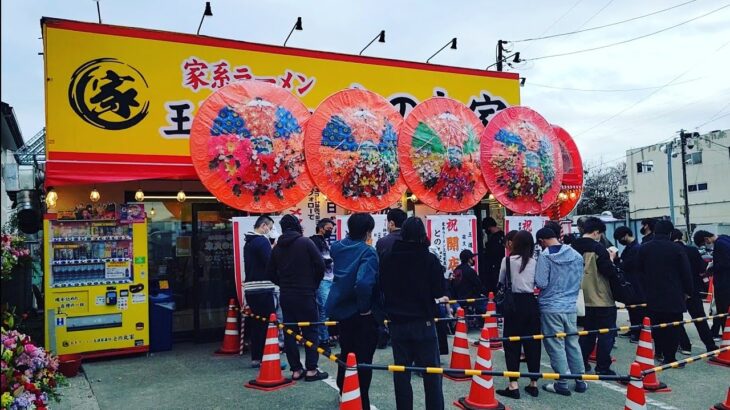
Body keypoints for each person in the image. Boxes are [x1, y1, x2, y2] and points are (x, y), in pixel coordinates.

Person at [380, 217, 447, 410]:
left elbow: (381, 286)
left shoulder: (387, 257)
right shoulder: (429, 258)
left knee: (402, 373)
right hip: (423, 322)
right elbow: (438, 291)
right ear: (422, 234)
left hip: (396, 322)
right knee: (432, 373)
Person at [326, 213, 380, 409]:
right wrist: (365, 308)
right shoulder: (368, 252)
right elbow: (364, 284)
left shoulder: (337, 247)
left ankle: (344, 392)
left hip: (340, 309)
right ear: (368, 231)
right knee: (364, 359)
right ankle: (361, 401)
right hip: (360, 313)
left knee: (346, 351)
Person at [266, 215, 328, 381]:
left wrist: (282, 283)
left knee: (289, 333)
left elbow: (270, 272)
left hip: (286, 295)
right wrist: (313, 283)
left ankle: (296, 370)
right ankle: (311, 370)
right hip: (306, 294)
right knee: (311, 331)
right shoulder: (306, 242)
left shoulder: (277, 248)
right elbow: (321, 265)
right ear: (297, 226)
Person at [534, 228, 587, 396]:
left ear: (542, 241)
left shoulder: (545, 256)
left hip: (550, 307)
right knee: (572, 342)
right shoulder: (576, 255)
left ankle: (561, 382)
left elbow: (541, 282)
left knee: (556, 345)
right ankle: (581, 381)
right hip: (570, 306)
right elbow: (580, 281)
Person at [637, 220, 692, 365]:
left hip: (652, 293)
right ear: (670, 233)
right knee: (673, 327)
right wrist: (688, 291)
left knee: (656, 326)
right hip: (674, 294)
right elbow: (686, 272)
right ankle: (670, 357)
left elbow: (639, 270)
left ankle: (659, 351)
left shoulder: (644, 248)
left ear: (655, 231)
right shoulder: (677, 249)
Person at [496, 231, 541, 399]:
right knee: (533, 343)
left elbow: (501, 281)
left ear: (514, 244)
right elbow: (539, 282)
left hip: (513, 305)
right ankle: (533, 384)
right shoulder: (534, 261)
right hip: (531, 303)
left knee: (512, 345)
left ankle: (513, 385)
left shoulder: (507, 261)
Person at [571, 216, 619, 375]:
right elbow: (608, 271)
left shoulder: (572, 247)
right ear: (597, 232)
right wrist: (611, 259)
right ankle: (603, 367)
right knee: (606, 333)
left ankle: (582, 363)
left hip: (581, 298)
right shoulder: (598, 249)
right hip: (601, 297)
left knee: (587, 333)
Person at [243, 215, 284, 368]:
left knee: (257, 324)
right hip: (263, 288)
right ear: (264, 226)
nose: (271, 231)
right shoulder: (261, 241)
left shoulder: (249, 242)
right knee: (269, 324)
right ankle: (268, 359)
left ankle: (257, 357)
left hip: (252, 289)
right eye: (271, 227)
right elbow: (270, 263)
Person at [671, 229, 718, 353]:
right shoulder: (692, 250)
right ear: (682, 237)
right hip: (693, 289)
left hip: (677, 290)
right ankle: (710, 345)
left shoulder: (670, 251)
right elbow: (702, 269)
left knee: (677, 319)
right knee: (699, 318)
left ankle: (685, 345)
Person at [375, 208, 408, 349]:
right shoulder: (413, 239)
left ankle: (384, 338)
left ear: (391, 223)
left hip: (388, 287)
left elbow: (378, 266)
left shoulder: (383, 242)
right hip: (410, 286)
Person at [694, 229, 730, 338]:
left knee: (723, 312)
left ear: (706, 239)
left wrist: (711, 269)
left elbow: (725, 263)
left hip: (724, 285)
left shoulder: (720, 244)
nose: (706, 245)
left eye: (704, 243)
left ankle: (727, 339)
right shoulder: (725, 238)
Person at [613, 226, 645, 343]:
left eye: (620, 238)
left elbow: (628, 264)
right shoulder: (630, 248)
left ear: (626, 235)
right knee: (631, 308)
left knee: (637, 309)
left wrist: (616, 262)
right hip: (630, 282)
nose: (620, 241)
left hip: (636, 283)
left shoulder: (636, 248)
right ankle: (633, 330)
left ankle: (637, 332)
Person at [310, 218, 335, 348]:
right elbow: (317, 261)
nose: (330, 231)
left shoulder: (323, 241)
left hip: (328, 279)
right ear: (321, 228)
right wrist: (329, 261)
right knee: (323, 309)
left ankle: (325, 337)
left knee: (326, 309)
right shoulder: (314, 241)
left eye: (332, 229)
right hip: (322, 280)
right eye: (329, 229)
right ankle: (323, 339)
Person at [450, 249, 485, 328]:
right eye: (472, 258)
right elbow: (479, 285)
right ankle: (482, 324)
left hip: (456, 299)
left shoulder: (456, 270)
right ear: (469, 259)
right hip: (469, 299)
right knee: (486, 304)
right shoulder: (470, 271)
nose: (473, 259)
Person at [479, 217, 505, 294]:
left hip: (494, 267)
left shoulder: (493, 238)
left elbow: (491, 254)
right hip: (501, 265)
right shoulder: (503, 234)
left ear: (489, 228)